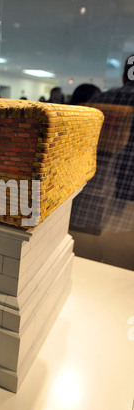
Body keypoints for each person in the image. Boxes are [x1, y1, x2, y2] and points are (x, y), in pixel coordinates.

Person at [69, 55, 134, 270]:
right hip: (128, 213)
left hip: (89, 200)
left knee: (80, 268)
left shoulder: (100, 102)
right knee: (121, 280)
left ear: (124, 76)